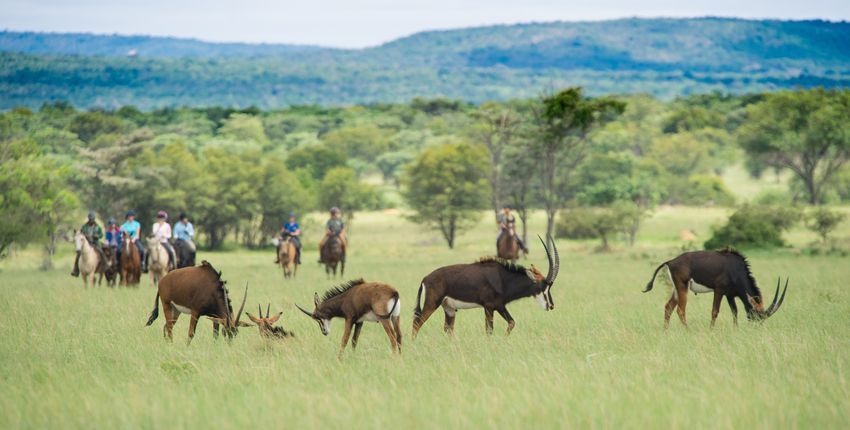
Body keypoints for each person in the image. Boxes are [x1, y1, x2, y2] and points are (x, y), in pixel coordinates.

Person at [71, 212, 107, 276]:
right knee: (78, 254)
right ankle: (76, 269)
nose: (91, 220)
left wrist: (97, 236)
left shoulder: (97, 227)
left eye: (92, 219)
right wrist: (86, 236)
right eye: (90, 219)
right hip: (87, 243)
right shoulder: (84, 226)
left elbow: (101, 235)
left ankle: (105, 265)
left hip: (95, 242)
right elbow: (81, 233)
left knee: (101, 252)